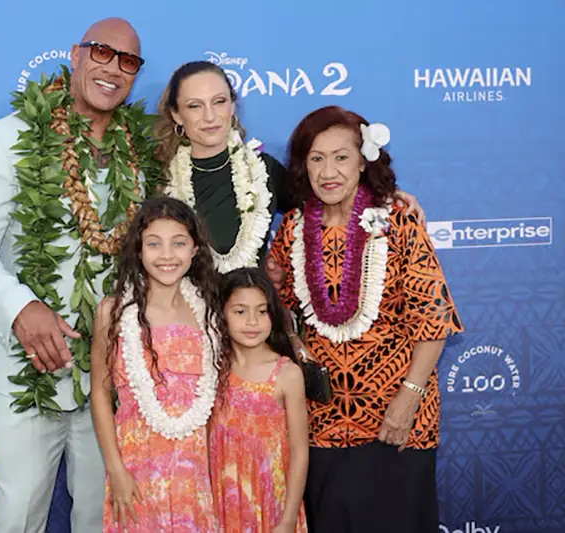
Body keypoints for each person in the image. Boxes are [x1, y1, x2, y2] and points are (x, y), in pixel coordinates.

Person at [0, 17, 160, 533]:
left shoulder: (145, 153)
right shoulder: (6, 139)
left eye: (128, 61)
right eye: (102, 52)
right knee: (18, 515)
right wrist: (19, 306)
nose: (113, 69)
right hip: (31, 370)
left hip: (116, 376)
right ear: (76, 54)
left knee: (105, 517)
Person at [268, 105, 464, 533]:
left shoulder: (398, 221)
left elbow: (432, 320)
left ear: (363, 159)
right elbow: (279, 309)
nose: (328, 171)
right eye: (316, 158)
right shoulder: (293, 228)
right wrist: (297, 346)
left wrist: (408, 397)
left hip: (396, 420)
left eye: (341, 156)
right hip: (322, 424)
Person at [153, 60, 426, 277]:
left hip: (248, 324)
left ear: (233, 105)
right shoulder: (158, 177)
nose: (210, 116)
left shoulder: (262, 170)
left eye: (219, 102)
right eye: (194, 106)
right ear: (177, 115)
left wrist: (387, 195)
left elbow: (327, 195)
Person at [89, 196, 222, 532]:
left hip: (197, 473)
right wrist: (116, 471)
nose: (166, 255)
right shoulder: (114, 312)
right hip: (137, 470)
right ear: (138, 249)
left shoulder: (208, 314)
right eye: (154, 244)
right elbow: (100, 395)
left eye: (178, 243)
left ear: (194, 250)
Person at [210, 267, 309, 533]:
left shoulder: (286, 374)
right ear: (221, 314)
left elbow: (300, 452)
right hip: (219, 504)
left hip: (271, 505)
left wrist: (288, 519)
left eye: (262, 311)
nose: (252, 321)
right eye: (240, 311)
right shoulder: (211, 368)